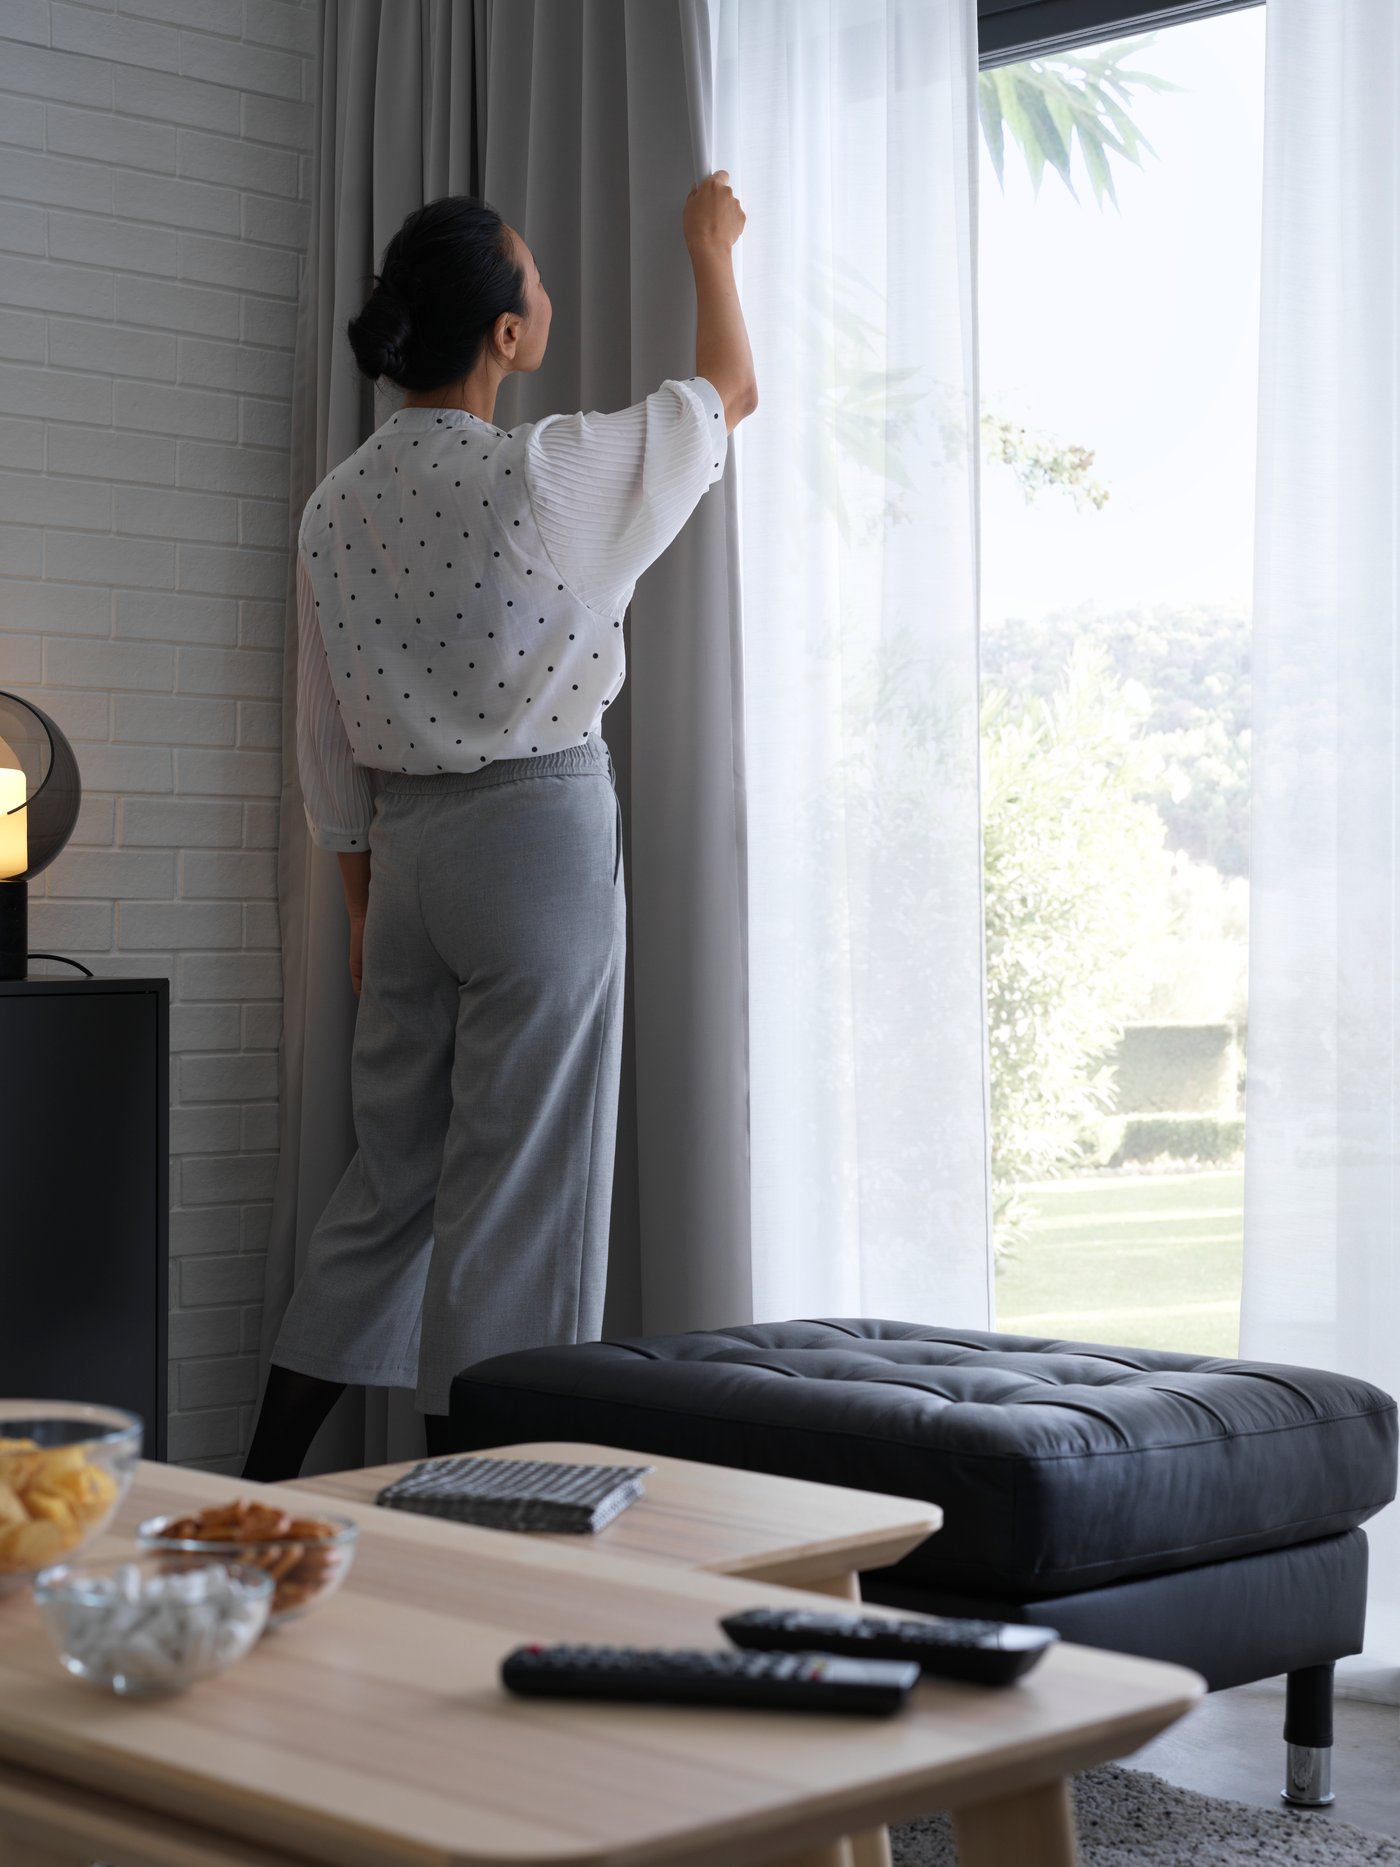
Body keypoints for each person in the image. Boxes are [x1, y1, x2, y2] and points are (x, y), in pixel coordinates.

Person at [241, 174, 757, 1480]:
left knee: (389, 1187)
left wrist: (365, 910)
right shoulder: (549, 474)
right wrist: (708, 246)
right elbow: (725, 397)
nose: (543, 291)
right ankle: (488, 1498)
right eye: (531, 277)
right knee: (517, 1200)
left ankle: (256, 1476)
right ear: (507, 334)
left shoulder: (333, 507)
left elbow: (323, 736)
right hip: (537, 844)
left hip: (403, 858)